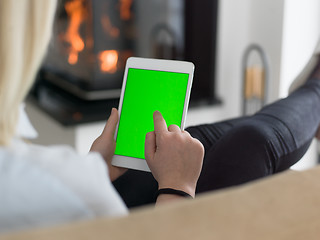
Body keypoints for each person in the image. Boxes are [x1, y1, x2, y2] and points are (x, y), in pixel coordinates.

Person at [0, 0, 320, 234]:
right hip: (140, 214)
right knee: (253, 141)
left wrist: (94, 168)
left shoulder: (45, 177)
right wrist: (177, 187)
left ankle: (312, 91)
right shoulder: (63, 189)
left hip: (105, 194)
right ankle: (315, 90)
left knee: (190, 143)